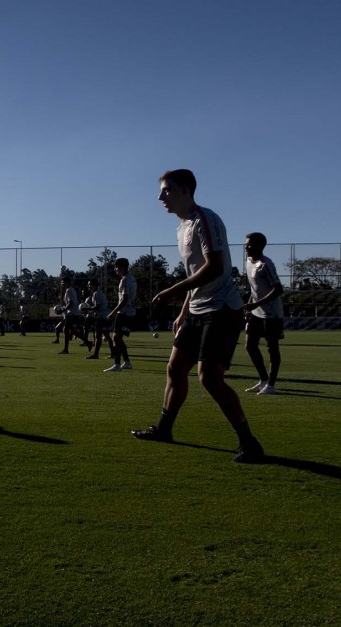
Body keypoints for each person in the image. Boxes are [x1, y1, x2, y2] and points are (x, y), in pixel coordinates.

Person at [132, 169, 264, 464]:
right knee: (175, 370)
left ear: (185, 191)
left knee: (209, 379)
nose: (160, 197)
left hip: (221, 310)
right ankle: (164, 429)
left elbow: (216, 267)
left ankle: (249, 443)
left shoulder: (205, 219)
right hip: (197, 309)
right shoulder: (181, 227)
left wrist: (172, 291)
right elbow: (195, 274)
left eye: (166, 190)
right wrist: (183, 311)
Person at [243, 233, 284, 394]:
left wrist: (256, 304)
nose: (246, 247)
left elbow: (278, 289)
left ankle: (271, 385)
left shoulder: (266, 264)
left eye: (250, 244)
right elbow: (255, 289)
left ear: (260, 246)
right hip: (256, 312)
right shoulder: (248, 261)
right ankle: (263, 380)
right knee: (250, 345)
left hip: (272, 314)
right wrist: (250, 304)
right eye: (246, 244)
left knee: (272, 348)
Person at [104, 258, 137, 371]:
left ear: (122, 267)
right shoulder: (132, 279)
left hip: (123, 312)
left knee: (116, 337)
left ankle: (117, 364)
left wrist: (113, 312)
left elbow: (124, 299)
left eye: (116, 267)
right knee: (118, 338)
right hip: (130, 312)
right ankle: (127, 362)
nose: (115, 269)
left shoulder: (125, 280)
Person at [84, 279, 108, 360]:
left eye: (89, 284)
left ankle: (96, 354)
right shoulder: (99, 293)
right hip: (104, 316)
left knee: (98, 336)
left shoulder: (96, 294)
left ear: (94, 285)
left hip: (100, 317)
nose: (88, 286)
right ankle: (113, 353)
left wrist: (88, 309)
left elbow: (97, 306)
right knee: (107, 336)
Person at [59, 277, 82, 354]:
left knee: (66, 329)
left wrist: (63, 310)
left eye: (63, 282)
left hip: (72, 312)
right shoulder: (69, 290)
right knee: (71, 330)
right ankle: (88, 342)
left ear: (66, 282)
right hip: (73, 312)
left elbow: (70, 303)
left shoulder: (69, 290)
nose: (62, 284)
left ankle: (66, 349)